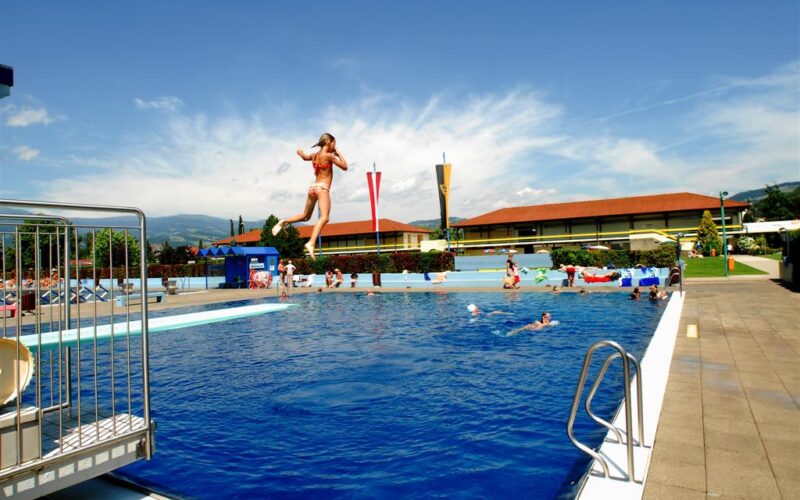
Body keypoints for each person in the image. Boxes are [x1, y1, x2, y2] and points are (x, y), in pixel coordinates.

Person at [271, 133, 348, 259]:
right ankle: (311, 243)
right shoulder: (329, 156)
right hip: (322, 188)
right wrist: (339, 154)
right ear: (330, 143)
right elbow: (345, 166)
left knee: (305, 216)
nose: (335, 146)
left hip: (313, 188)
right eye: (335, 143)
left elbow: (305, 157)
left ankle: (285, 221)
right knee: (325, 218)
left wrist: (300, 153)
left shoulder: (315, 155)